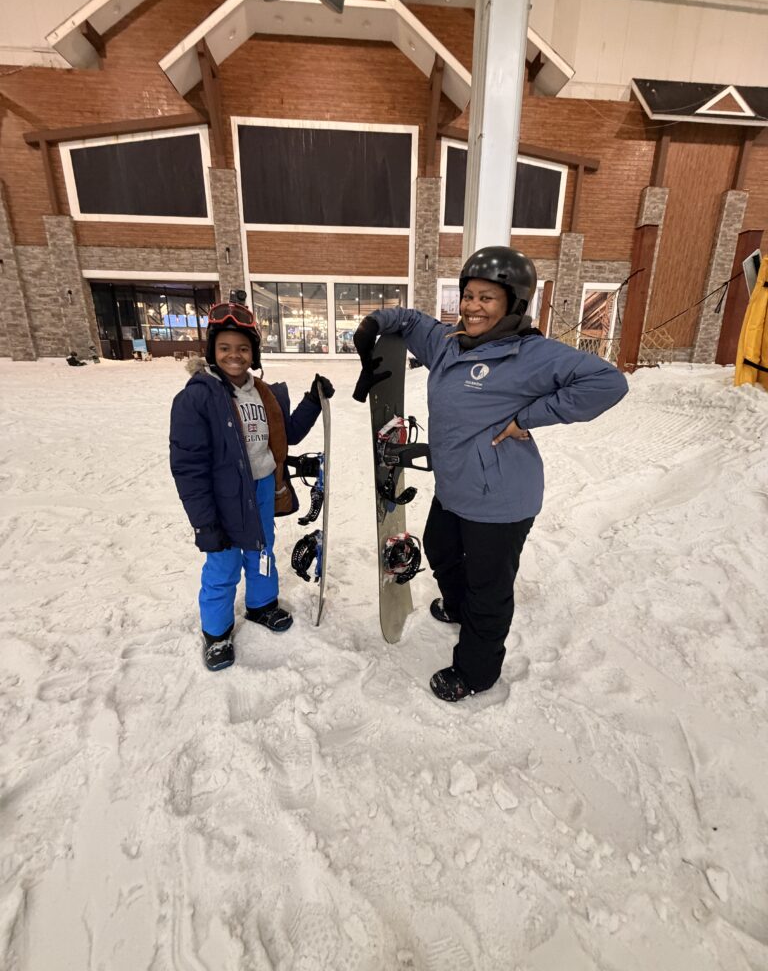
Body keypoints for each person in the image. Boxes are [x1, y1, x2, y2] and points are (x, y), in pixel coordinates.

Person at [352, 246, 628, 703]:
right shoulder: (448, 344)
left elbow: (608, 382)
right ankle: (457, 606)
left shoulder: (531, 354)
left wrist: (531, 417)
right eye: (468, 296)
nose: (472, 307)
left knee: (489, 588)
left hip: (500, 500)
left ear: (513, 304)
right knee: (440, 548)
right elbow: (413, 321)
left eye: (487, 298)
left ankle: (476, 671)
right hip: (457, 487)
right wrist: (375, 323)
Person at [170, 300, 334, 671]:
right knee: (223, 562)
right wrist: (205, 522)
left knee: (262, 551)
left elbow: (286, 433)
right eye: (225, 348)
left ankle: (261, 605)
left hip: (262, 488)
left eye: (243, 348)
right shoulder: (197, 397)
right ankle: (216, 633)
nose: (234, 355)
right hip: (223, 497)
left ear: (254, 352)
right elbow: (188, 467)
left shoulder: (263, 393)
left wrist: (312, 400)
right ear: (212, 351)